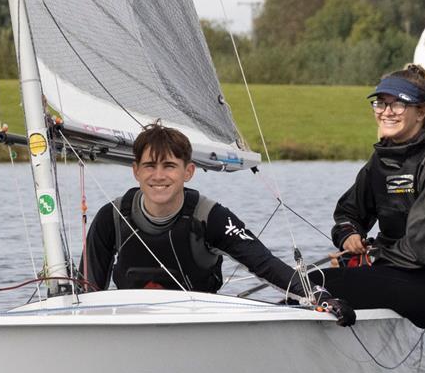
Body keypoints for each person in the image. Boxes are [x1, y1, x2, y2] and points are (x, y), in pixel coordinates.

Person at [80, 122, 356, 326]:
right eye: (150, 166)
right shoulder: (112, 217)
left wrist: (318, 295)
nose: (159, 176)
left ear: (188, 172)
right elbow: (87, 288)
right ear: (136, 171)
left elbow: (265, 264)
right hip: (131, 326)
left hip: (198, 325)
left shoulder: (209, 216)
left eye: (169, 166)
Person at [316, 64, 425, 329]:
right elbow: (348, 213)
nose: (386, 112)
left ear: (421, 112)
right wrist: (349, 235)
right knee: (306, 283)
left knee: (317, 283)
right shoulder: (382, 158)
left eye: (398, 105)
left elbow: (421, 250)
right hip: (391, 272)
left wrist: (369, 258)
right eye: (381, 103)